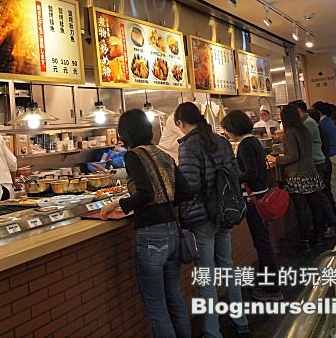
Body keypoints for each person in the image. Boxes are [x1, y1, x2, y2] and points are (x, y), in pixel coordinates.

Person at [101, 109, 191, 338]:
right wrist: (166, 199)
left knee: (156, 305)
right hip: (172, 230)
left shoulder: (134, 155)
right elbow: (185, 191)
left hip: (152, 235)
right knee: (174, 296)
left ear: (125, 133)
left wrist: (118, 204)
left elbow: (145, 194)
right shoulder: (162, 154)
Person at [175, 102, 249, 337]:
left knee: (206, 276)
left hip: (202, 217)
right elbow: (234, 174)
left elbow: (192, 185)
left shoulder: (189, 146)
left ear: (180, 123)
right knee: (227, 267)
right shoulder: (222, 141)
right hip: (224, 213)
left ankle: (212, 331)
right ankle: (241, 321)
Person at [220, 110, 283, 302]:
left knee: (262, 243)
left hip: (255, 199)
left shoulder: (246, 144)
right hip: (260, 195)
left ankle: (272, 290)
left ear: (233, 128)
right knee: (263, 243)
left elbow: (252, 172)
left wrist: (230, 177)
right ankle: (267, 284)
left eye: (227, 130)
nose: (227, 134)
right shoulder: (252, 140)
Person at [268, 105, 325, 252]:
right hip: (310, 172)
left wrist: (277, 160)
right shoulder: (303, 129)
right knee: (315, 206)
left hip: (297, 175)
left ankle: (304, 239)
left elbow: (293, 156)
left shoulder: (290, 133)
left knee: (301, 210)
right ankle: (318, 236)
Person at [290, 100, 336, 234]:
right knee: (321, 195)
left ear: (298, 110)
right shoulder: (308, 122)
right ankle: (328, 223)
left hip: (317, 163)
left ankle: (331, 223)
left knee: (320, 195)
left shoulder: (308, 123)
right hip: (318, 162)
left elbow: (300, 145)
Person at [313, 102, 336, 219]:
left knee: (333, 185)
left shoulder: (322, 124)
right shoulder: (331, 122)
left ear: (319, 111)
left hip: (330, 155)